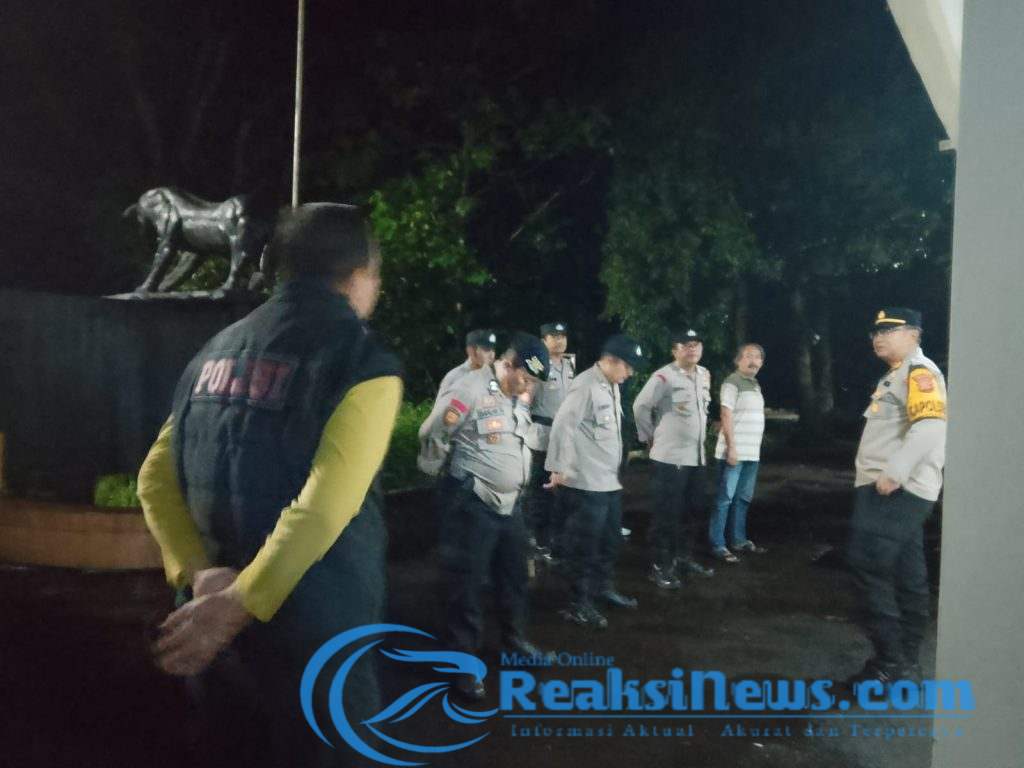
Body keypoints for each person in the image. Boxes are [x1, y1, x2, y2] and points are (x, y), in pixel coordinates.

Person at [137, 203, 403, 768]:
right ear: (359, 275)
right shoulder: (362, 361)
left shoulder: (214, 351)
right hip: (317, 637)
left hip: (211, 636)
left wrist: (199, 575)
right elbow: (325, 508)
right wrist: (239, 603)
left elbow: (153, 479)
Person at [418, 333, 552, 700]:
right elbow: (432, 431)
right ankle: (463, 665)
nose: (528, 387)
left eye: (533, 382)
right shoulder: (469, 389)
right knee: (466, 585)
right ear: (507, 364)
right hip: (473, 502)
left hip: (511, 505)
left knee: (514, 578)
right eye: (525, 378)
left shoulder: (516, 393)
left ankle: (513, 642)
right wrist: (436, 474)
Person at [845, 307, 947, 686]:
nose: (879, 337)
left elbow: (931, 426)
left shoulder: (919, 373)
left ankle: (890, 662)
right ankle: (906, 663)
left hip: (894, 488)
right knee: (908, 573)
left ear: (914, 334)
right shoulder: (897, 375)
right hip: (895, 488)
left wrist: (896, 472)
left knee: (866, 564)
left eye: (890, 331)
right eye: (876, 332)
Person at [545, 334, 643, 629]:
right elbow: (563, 425)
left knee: (609, 542)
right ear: (611, 360)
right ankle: (579, 603)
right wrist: (557, 467)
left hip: (608, 482)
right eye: (628, 367)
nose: (630, 373)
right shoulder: (586, 385)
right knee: (584, 547)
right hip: (586, 483)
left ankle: (602, 589)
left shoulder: (610, 384)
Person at [633, 328, 715, 590]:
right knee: (666, 514)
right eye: (685, 345)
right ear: (674, 350)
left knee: (693, 511)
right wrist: (648, 437)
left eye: (696, 344)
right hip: (670, 458)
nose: (692, 349)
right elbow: (640, 406)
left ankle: (683, 558)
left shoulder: (704, 374)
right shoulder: (663, 377)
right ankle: (661, 565)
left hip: (696, 458)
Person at [709, 343, 768, 562]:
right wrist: (731, 448)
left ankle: (738, 539)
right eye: (748, 356)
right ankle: (718, 544)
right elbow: (726, 415)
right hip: (734, 452)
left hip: (751, 453)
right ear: (738, 360)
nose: (754, 361)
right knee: (724, 499)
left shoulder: (755, 384)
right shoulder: (732, 382)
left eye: (758, 357)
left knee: (743, 498)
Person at [525, 322, 575, 560]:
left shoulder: (569, 364)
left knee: (563, 490)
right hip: (542, 436)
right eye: (554, 336)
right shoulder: (536, 363)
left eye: (563, 335)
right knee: (541, 491)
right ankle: (539, 540)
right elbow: (525, 399)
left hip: (565, 438)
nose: (559, 340)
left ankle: (558, 538)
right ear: (543, 340)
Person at [437, 329, 497, 398]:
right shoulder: (454, 376)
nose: (492, 355)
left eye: (493, 350)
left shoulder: (491, 376)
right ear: (471, 350)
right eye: (486, 349)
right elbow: (441, 404)